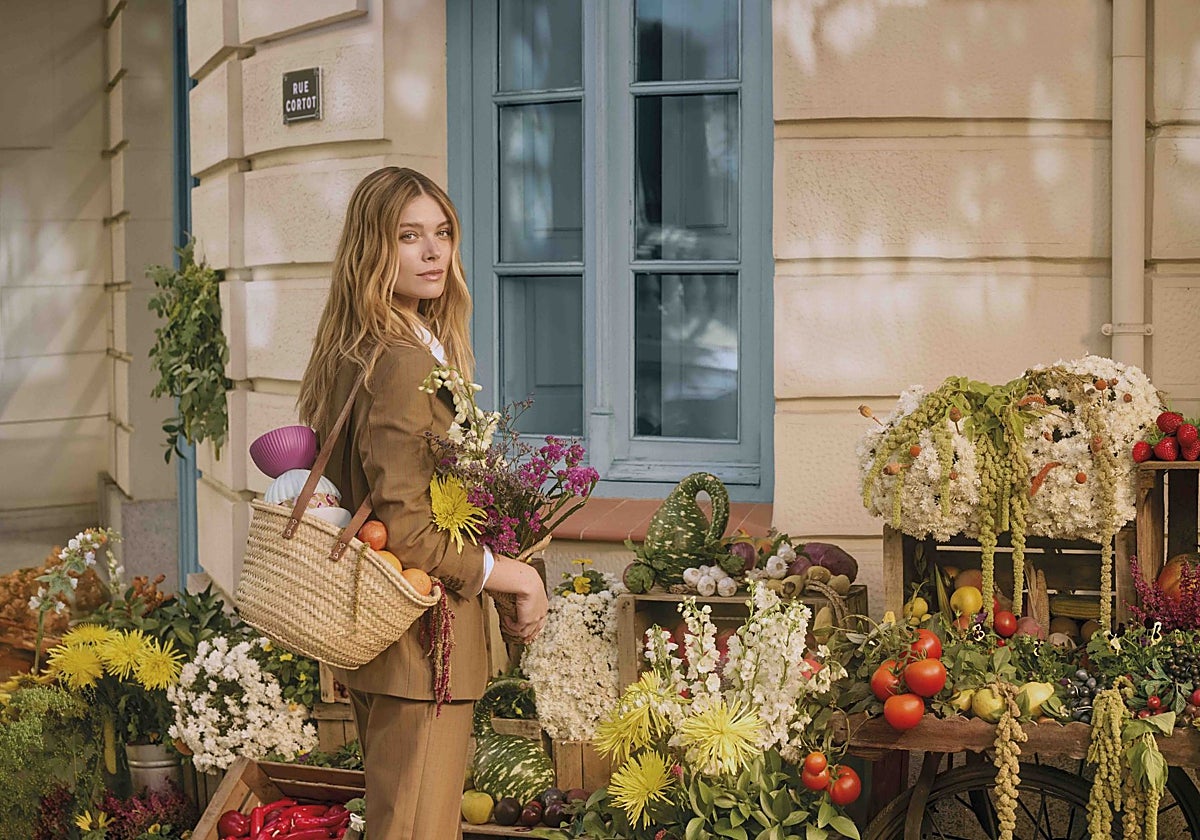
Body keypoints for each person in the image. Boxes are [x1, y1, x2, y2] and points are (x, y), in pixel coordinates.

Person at [296, 167, 549, 839]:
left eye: (442, 234)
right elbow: (407, 522)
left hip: (395, 644)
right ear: (373, 249)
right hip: (421, 648)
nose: (434, 252)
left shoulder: (368, 346)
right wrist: (512, 574)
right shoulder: (401, 358)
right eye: (410, 236)